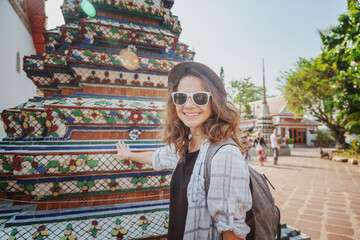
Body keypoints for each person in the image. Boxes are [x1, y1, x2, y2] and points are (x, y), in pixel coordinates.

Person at [114, 62, 252, 240]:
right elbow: (158, 157)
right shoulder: (186, 146)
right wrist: (128, 155)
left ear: (214, 102)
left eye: (200, 98)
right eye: (181, 97)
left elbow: (232, 232)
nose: (188, 105)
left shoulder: (224, 154)